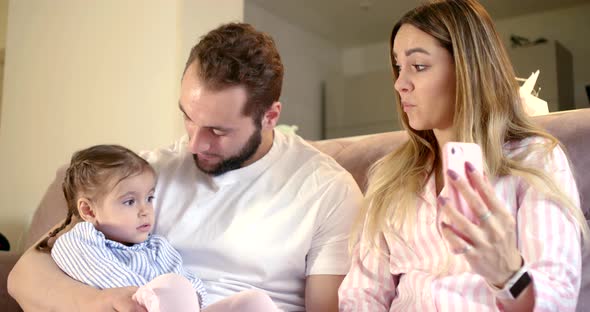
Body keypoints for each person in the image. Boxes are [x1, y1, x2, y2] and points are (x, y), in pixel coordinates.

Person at [8, 23, 363, 311]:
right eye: (188, 118)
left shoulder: (326, 190)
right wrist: (99, 302)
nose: (194, 144)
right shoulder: (148, 173)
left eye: (217, 131)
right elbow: (25, 274)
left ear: (269, 117)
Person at [338, 0, 589, 311]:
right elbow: (362, 296)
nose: (400, 84)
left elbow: (559, 301)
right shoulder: (390, 175)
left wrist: (507, 274)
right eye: (398, 67)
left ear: (469, 70)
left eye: (418, 66)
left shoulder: (536, 160)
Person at [37, 144, 278, 312]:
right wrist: (158, 294)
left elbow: (191, 282)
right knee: (174, 286)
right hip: (130, 308)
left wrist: (189, 298)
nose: (145, 210)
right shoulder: (79, 241)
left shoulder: (157, 246)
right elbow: (115, 284)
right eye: (130, 201)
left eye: (149, 198)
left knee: (252, 302)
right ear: (89, 211)